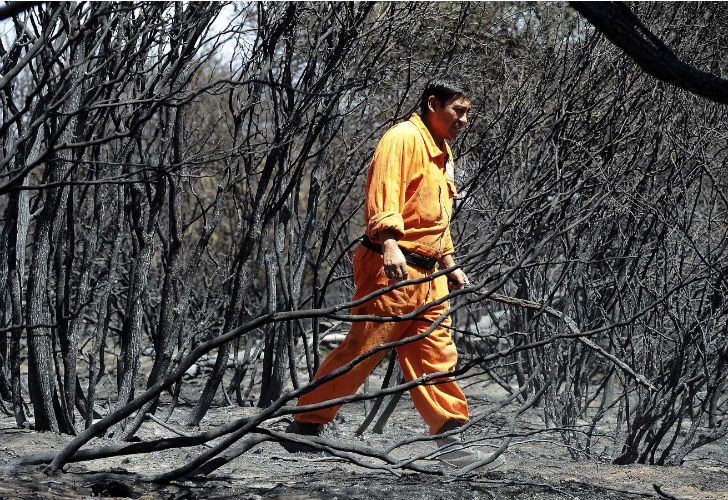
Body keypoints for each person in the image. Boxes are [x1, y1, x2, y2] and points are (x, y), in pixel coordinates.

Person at [283, 80, 488, 468]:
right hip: (391, 265)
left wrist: (449, 262)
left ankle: (450, 439)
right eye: (458, 110)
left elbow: (433, 216)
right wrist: (390, 242)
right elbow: (384, 193)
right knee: (365, 347)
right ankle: (306, 426)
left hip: (430, 274)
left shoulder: (443, 150)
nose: (465, 119)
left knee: (437, 351)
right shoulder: (402, 137)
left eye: (467, 112)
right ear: (433, 104)